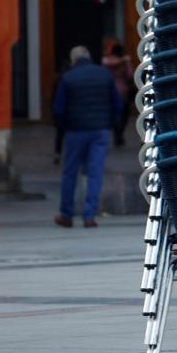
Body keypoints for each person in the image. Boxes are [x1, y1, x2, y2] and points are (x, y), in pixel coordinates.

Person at [53, 45, 121, 228]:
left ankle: (66, 214)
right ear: (89, 58)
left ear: (73, 60)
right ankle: (89, 215)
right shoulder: (104, 75)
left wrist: (62, 129)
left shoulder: (68, 78)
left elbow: (58, 110)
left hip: (75, 131)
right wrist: (110, 125)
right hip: (100, 130)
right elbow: (117, 103)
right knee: (95, 173)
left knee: (70, 173)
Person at [101, 42, 135, 147]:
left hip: (110, 90)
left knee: (115, 113)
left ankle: (117, 133)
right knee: (124, 113)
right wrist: (125, 61)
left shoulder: (107, 60)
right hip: (123, 90)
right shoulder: (123, 61)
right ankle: (119, 133)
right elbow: (130, 75)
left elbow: (105, 64)